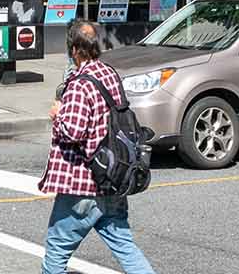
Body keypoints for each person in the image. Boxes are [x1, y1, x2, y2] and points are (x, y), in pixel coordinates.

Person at [39, 18, 156, 274]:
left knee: (56, 253)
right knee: (124, 246)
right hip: (112, 177)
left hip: (83, 183)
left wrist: (58, 114)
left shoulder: (81, 84)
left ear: (73, 50)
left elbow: (74, 131)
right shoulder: (109, 73)